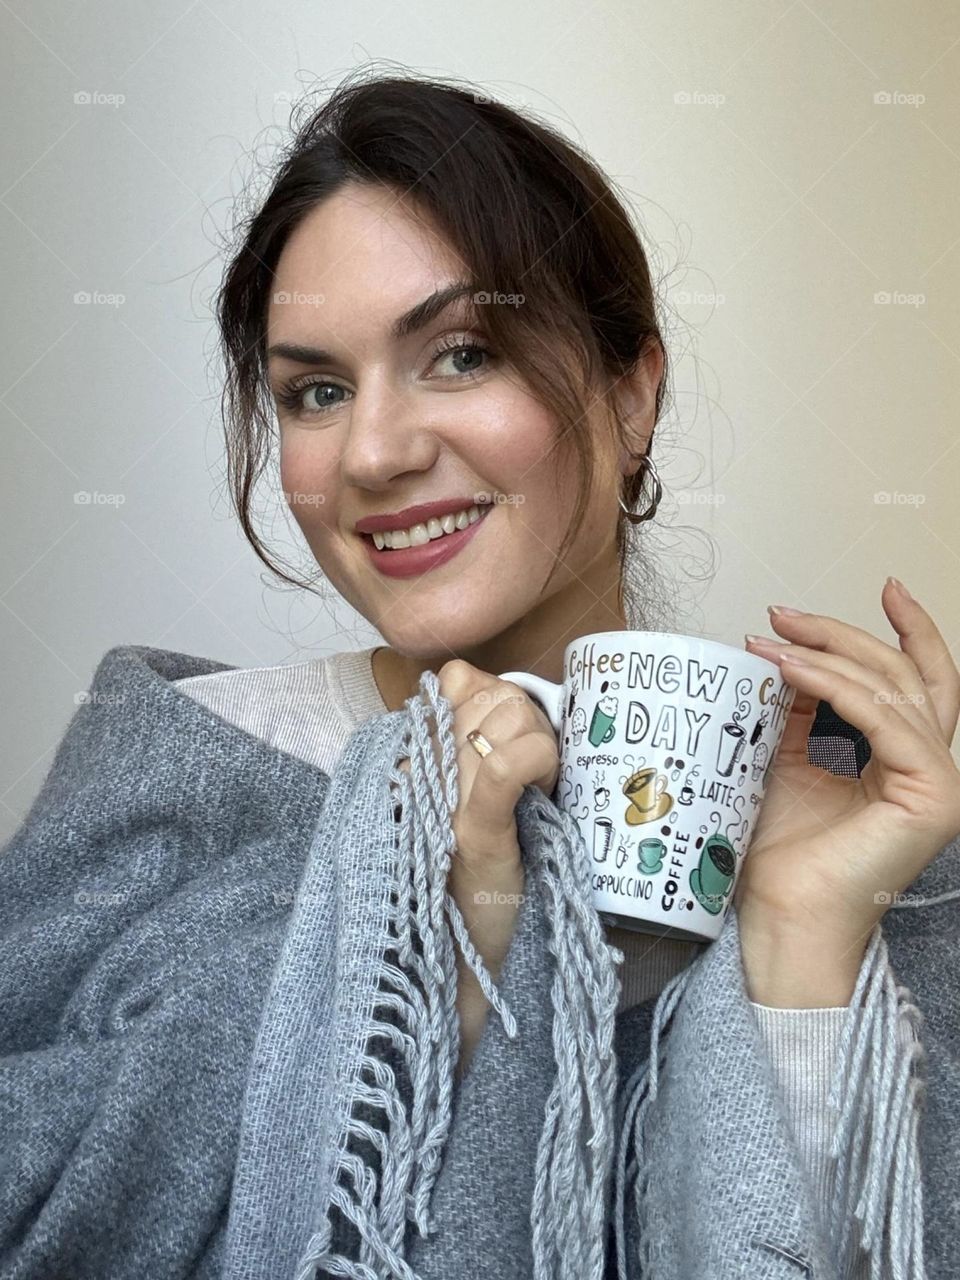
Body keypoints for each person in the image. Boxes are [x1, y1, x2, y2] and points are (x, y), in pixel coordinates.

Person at [3, 68, 958, 1279]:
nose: (378, 451)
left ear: (631, 393)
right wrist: (432, 944)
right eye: (317, 390)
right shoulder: (184, 767)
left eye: (458, 354)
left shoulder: (857, 827)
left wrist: (806, 936)